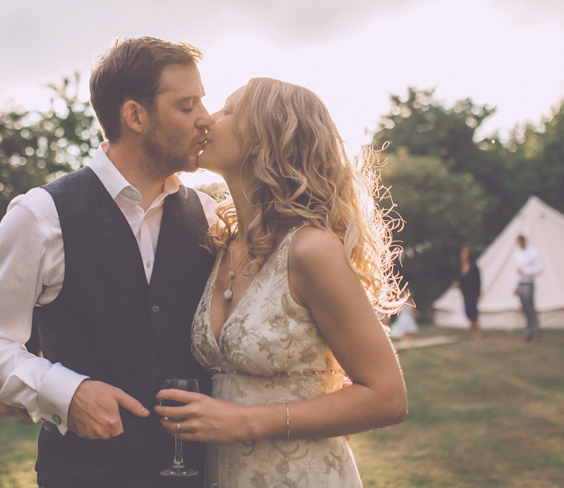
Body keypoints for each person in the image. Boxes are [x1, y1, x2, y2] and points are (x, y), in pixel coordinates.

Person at [0, 37, 218, 488]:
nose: (205, 120)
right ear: (135, 115)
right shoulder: (40, 214)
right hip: (85, 475)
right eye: (186, 106)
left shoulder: (209, 214)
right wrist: (66, 392)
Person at [155, 78, 407, 488]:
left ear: (264, 138)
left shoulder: (311, 250)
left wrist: (245, 421)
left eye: (227, 111)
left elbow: (387, 397)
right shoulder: (223, 246)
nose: (206, 120)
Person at [513, 234, 543, 342]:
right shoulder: (517, 254)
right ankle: (528, 332)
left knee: (530, 309)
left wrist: (526, 271)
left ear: (524, 241)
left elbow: (540, 268)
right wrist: (515, 286)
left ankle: (535, 333)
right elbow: (517, 272)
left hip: (528, 283)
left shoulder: (533, 252)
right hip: (521, 284)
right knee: (525, 310)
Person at [454, 245, 482, 341]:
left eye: (465, 253)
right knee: (468, 313)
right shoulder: (461, 268)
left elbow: (477, 281)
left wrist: (478, 294)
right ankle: (472, 333)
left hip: (473, 294)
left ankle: (476, 333)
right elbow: (461, 281)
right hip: (465, 294)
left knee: (473, 314)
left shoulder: (474, 267)